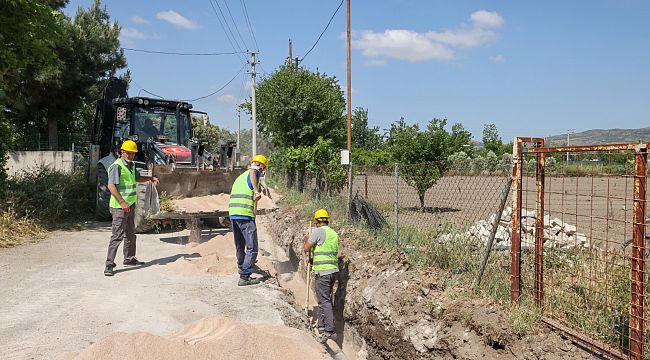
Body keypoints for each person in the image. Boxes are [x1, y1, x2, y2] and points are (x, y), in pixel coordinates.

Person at [104, 139, 160, 276]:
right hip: (119, 207)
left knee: (130, 234)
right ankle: (109, 265)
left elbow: (137, 178)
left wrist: (150, 178)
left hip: (130, 205)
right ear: (122, 152)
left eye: (133, 153)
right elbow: (111, 186)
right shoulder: (116, 166)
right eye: (129, 153)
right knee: (117, 236)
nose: (131, 155)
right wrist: (122, 202)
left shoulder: (131, 165)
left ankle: (129, 259)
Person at [228, 154, 267, 286]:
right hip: (245, 215)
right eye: (262, 170)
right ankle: (245, 276)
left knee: (240, 245)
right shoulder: (253, 172)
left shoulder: (240, 176)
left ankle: (241, 267)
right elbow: (253, 172)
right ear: (261, 167)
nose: (261, 172)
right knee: (252, 247)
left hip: (234, 214)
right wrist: (256, 191)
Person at [303, 208, 340, 343]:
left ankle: (329, 330)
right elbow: (326, 252)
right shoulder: (333, 233)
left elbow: (306, 248)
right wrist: (313, 260)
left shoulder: (318, 231)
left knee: (324, 301)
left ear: (317, 221)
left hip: (323, 272)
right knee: (325, 299)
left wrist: (308, 238)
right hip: (332, 271)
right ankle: (322, 326)